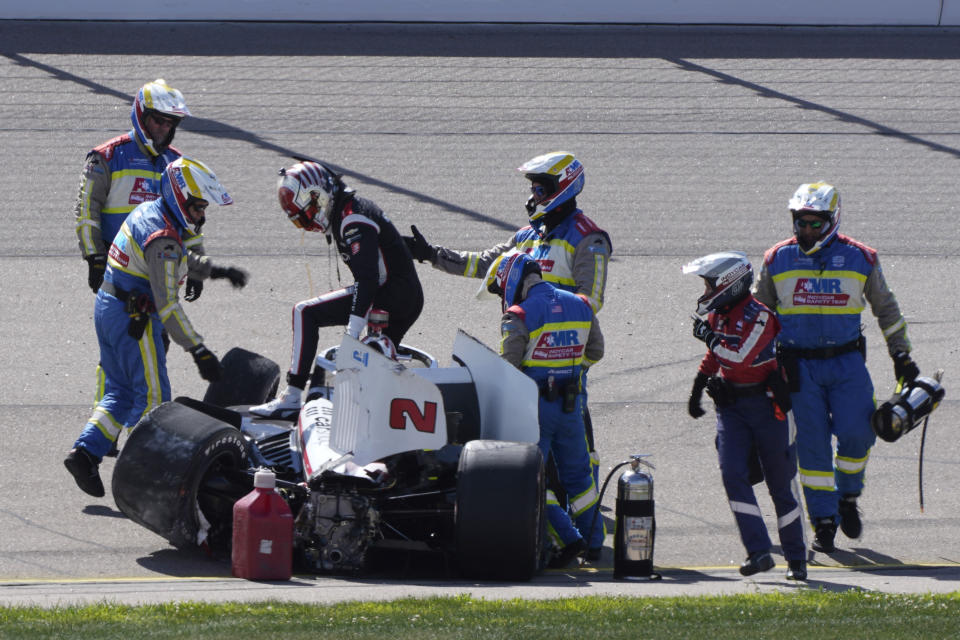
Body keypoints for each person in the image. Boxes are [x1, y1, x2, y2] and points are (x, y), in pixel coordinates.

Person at [404, 151, 611, 487]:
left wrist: (545, 307)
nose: (532, 197)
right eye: (532, 190)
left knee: (576, 438)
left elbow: (591, 301)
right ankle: (536, 498)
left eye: (539, 190)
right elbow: (484, 264)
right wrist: (430, 255)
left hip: (563, 356)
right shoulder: (527, 236)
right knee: (528, 432)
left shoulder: (589, 239)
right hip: (524, 352)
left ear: (563, 188)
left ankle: (585, 505)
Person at [753, 182, 920, 553]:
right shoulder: (775, 259)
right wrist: (754, 369)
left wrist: (901, 356)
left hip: (846, 364)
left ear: (832, 221)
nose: (807, 231)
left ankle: (848, 497)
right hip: (797, 368)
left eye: (815, 224)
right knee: (812, 448)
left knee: (859, 434)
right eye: (801, 223)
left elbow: (887, 310)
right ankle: (824, 520)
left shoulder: (862, 258)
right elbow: (758, 317)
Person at [64, 157, 245, 497]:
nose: (201, 216)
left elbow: (180, 257)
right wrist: (199, 350)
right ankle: (146, 480)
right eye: (196, 207)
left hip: (108, 307)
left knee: (120, 390)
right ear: (179, 197)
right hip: (135, 320)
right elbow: (168, 305)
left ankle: (85, 453)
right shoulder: (163, 239)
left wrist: (215, 271)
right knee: (155, 400)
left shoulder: (151, 211)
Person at [250, 160, 425, 420]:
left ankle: (293, 396)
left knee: (304, 312)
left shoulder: (351, 218)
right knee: (377, 366)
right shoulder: (353, 210)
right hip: (405, 296)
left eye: (307, 213)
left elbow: (367, 280)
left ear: (318, 196)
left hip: (388, 294)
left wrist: (351, 336)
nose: (308, 224)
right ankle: (380, 416)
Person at [684, 251, 807, 581]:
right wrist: (698, 386)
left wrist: (709, 337)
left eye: (710, 285)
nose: (705, 292)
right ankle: (759, 551)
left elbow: (738, 355)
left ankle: (796, 558)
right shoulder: (719, 315)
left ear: (729, 285)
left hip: (769, 409)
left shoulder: (761, 316)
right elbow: (716, 357)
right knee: (732, 474)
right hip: (732, 409)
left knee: (781, 485)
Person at [487, 252, 604, 567]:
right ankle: (594, 543)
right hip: (571, 403)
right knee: (580, 478)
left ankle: (567, 539)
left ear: (511, 281)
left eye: (500, 290)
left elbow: (508, 369)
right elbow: (596, 351)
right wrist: (573, 373)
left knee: (531, 478)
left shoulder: (518, 315)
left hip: (535, 408)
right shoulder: (581, 304)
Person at [74, 79, 210, 297]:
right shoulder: (105, 157)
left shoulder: (177, 163)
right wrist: (95, 258)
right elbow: (87, 212)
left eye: (170, 124)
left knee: (161, 330)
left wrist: (195, 266)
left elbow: (191, 219)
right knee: (121, 329)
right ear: (142, 116)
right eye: (158, 121)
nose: (164, 128)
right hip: (118, 268)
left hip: (162, 268)